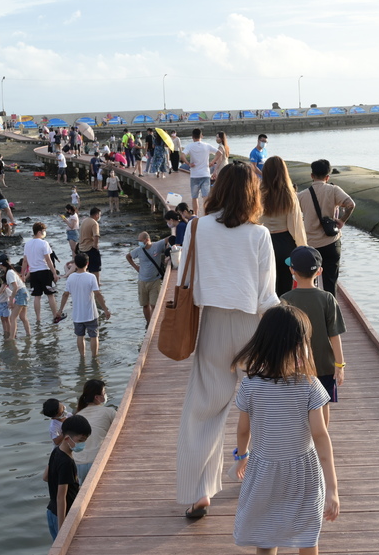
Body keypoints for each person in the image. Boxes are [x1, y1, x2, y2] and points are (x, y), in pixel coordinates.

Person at [176, 162, 278, 518]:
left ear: (217, 189)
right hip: (254, 326)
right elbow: (268, 295)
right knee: (264, 407)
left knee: (204, 410)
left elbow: (184, 278)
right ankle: (266, 483)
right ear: (253, 194)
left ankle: (198, 493)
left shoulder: (197, 227)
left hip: (214, 323)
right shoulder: (259, 235)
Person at [229, 304, 339, 549]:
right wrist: (332, 488)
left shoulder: (250, 386)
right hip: (303, 473)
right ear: (300, 345)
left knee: (265, 537)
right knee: (307, 535)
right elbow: (320, 435)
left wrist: (242, 456)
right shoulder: (309, 385)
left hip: (264, 471)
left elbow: (243, 430)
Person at [281, 246, 346, 427]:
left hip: (294, 365)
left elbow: (281, 337)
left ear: (291, 270)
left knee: (298, 404)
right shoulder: (327, 299)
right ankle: (321, 438)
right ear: (320, 271)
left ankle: (301, 440)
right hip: (324, 364)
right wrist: (339, 365)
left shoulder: (284, 299)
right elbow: (335, 335)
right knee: (323, 402)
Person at [296, 159, 354, 296]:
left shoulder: (301, 196)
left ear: (312, 175)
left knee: (310, 283)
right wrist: (341, 221)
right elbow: (351, 205)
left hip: (311, 245)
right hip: (331, 243)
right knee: (330, 283)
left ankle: (312, 311)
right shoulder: (333, 190)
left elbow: (295, 217)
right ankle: (330, 311)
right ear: (327, 177)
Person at [260, 156, 308, 297]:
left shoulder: (257, 194)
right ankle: (284, 314)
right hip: (286, 244)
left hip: (264, 242)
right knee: (285, 287)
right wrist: (303, 248)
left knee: (267, 287)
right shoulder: (289, 195)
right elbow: (296, 227)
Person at [44, 414, 92, 539]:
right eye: (80, 441)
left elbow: (45, 477)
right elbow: (61, 497)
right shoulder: (67, 463)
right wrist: (62, 530)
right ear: (67, 438)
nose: (83, 444)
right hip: (62, 515)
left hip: (52, 511)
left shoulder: (56, 451)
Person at [57, 253, 111, 358]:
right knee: (94, 336)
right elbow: (98, 294)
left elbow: (65, 294)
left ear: (75, 264)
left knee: (80, 336)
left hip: (77, 315)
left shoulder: (71, 277)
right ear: (88, 263)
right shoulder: (91, 277)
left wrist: (60, 310)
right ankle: (94, 357)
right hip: (91, 313)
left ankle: (82, 357)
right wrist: (105, 309)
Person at [72, 379, 117, 482]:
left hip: (78, 463)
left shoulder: (78, 415)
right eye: (104, 393)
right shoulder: (109, 412)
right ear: (97, 397)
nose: (105, 395)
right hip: (97, 461)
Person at [23, 222, 62, 324]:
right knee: (50, 295)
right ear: (39, 232)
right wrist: (54, 273)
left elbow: (25, 261)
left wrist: (23, 275)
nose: (45, 233)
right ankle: (55, 316)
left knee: (37, 296)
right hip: (44, 271)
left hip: (33, 273)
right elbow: (48, 260)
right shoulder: (44, 243)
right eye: (44, 231)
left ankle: (38, 319)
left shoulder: (27, 244)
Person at [125, 230, 167, 322]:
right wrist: (136, 267)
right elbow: (128, 256)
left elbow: (169, 239)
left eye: (140, 240)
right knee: (145, 304)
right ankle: (148, 323)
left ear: (147, 240)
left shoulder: (157, 246)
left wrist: (169, 252)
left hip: (155, 281)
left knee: (154, 304)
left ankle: (154, 322)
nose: (139, 242)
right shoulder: (138, 250)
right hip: (142, 281)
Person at [181, 128, 219, 215]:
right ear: (201, 136)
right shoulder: (207, 145)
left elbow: (182, 155)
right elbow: (219, 153)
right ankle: (206, 214)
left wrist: (188, 163)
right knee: (205, 197)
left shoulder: (190, 146)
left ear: (192, 137)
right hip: (205, 174)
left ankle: (196, 215)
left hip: (194, 175)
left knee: (195, 197)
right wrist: (212, 162)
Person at [0, 254, 30, 337]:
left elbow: (16, 287)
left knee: (12, 318)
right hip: (24, 292)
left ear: (0, 264)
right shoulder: (11, 271)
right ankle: (28, 334)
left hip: (20, 293)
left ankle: (11, 338)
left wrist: (10, 301)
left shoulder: (9, 273)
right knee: (23, 317)